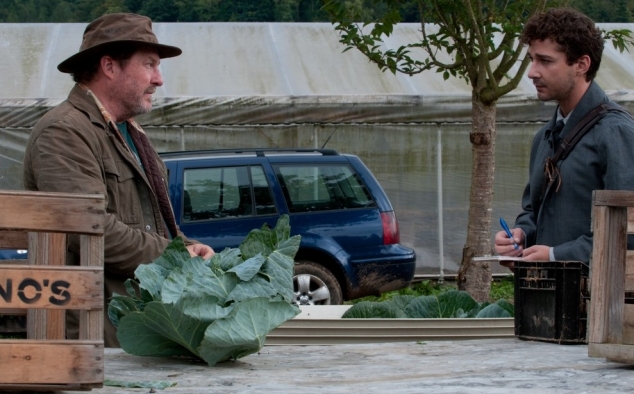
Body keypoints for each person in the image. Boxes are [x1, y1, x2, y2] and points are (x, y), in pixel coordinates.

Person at [23, 13, 214, 347]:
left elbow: (152, 225)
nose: (159, 79)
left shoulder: (130, 133)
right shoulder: (64, 131)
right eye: (149, 65)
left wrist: (188, 246)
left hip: (131, 322)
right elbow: (91, 230)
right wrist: (177, 256)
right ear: (109, 66)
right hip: (90, 332)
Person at [494, 8, 634, 267]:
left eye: (545, 61)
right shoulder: (544, 137)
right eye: (532, 59)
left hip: (598, 301)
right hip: (544, 297)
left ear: (581, 65)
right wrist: (521, 235)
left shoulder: (616, 133)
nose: (532, 72)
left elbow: (629, 231)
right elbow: (533, 211)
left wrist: (556, 256)